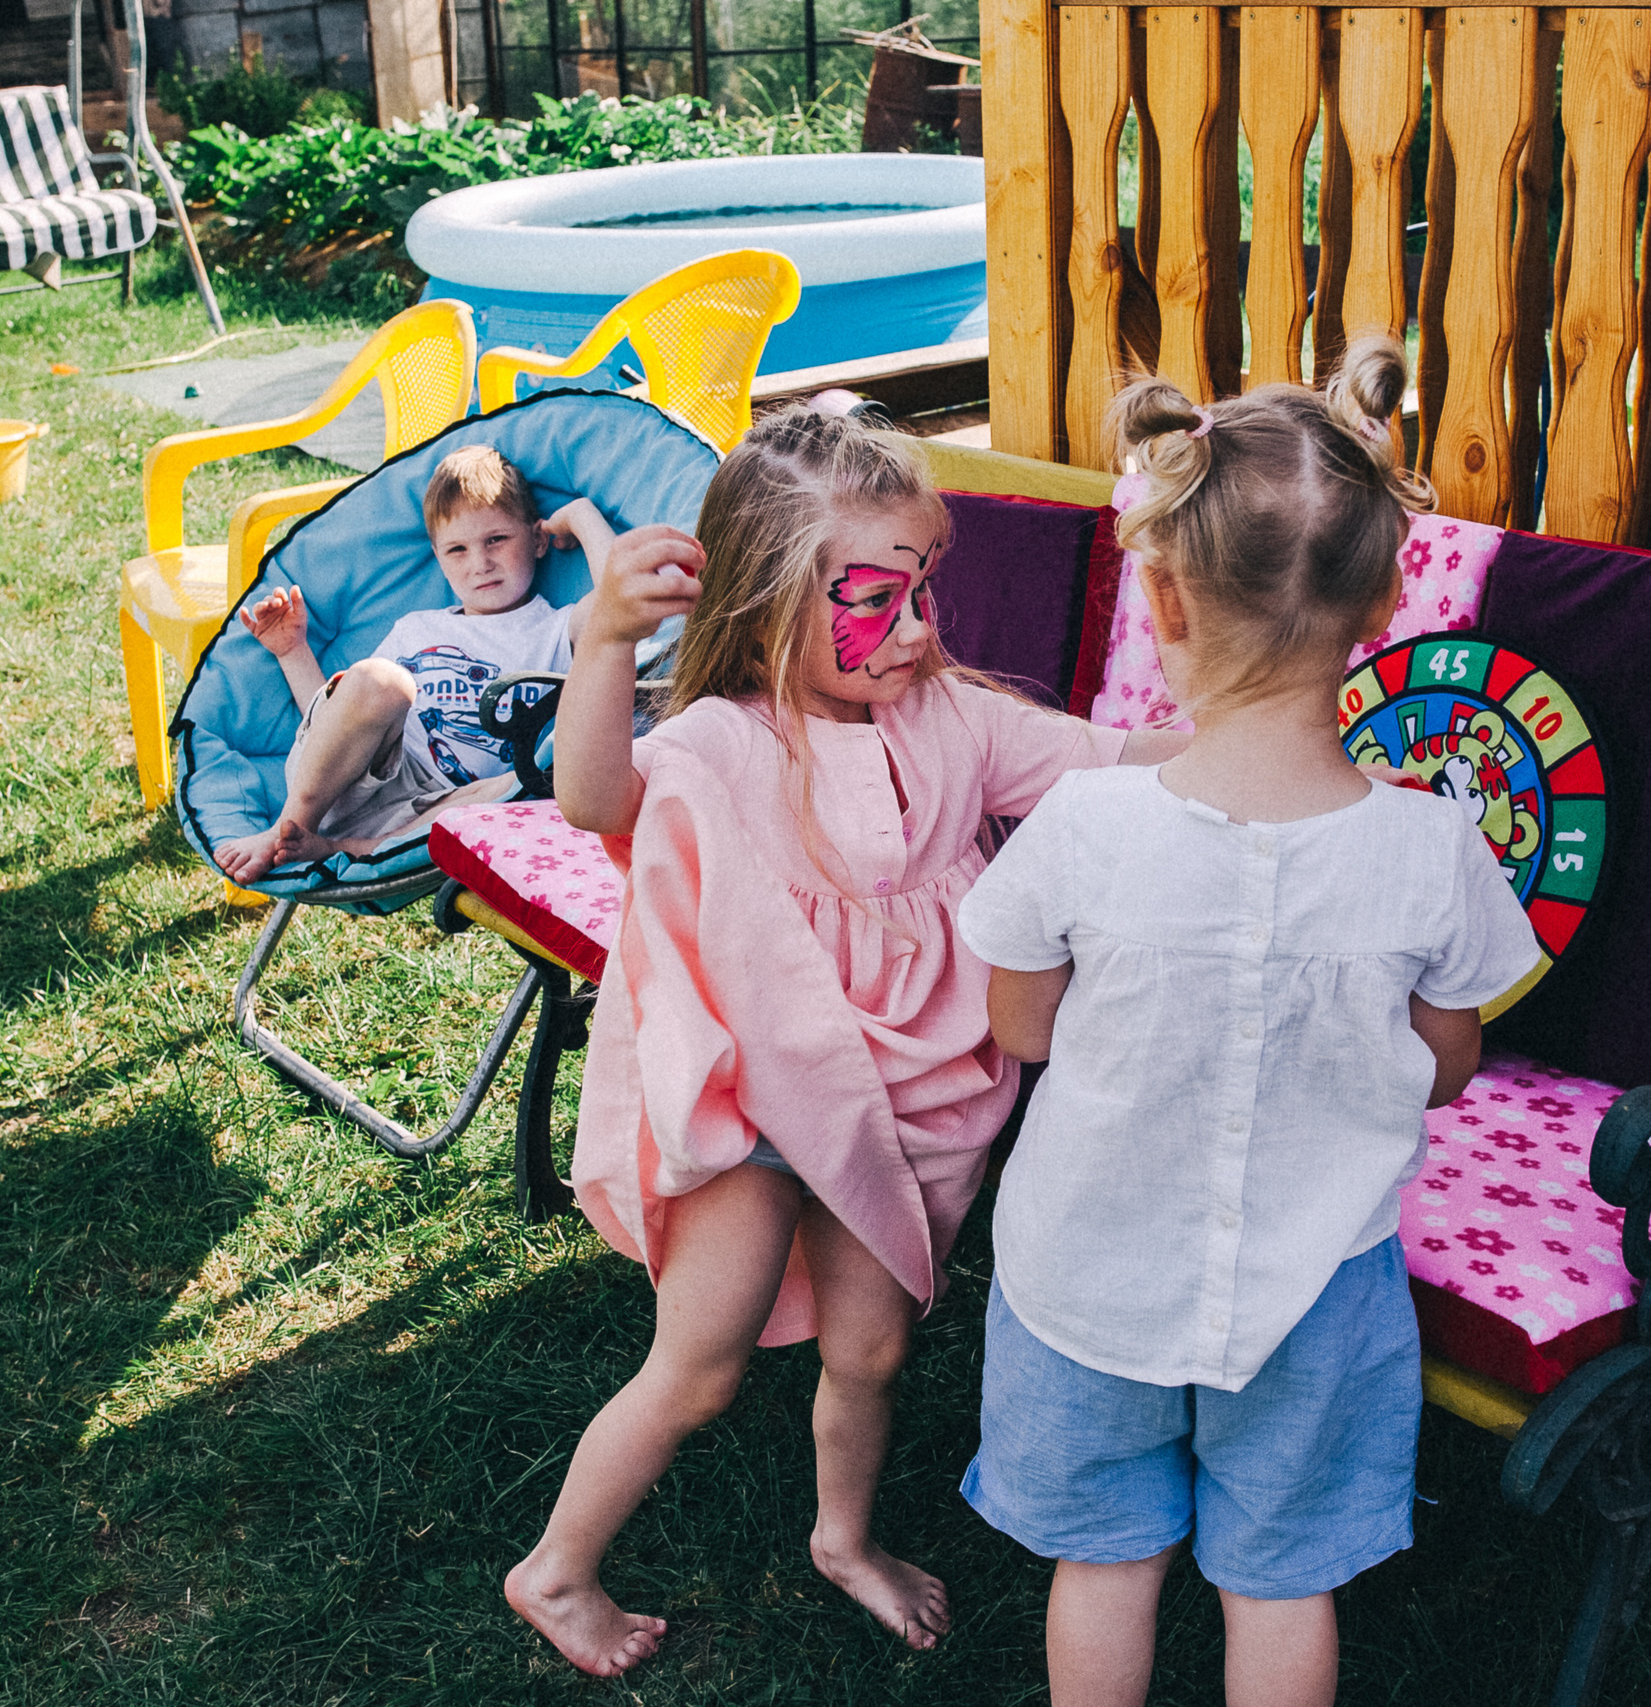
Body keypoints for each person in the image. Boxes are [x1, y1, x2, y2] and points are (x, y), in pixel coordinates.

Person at [505, 406, 1188, 1678]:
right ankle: (555, 1569)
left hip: (904, 1098)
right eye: (879, 598)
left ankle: (843, 1539)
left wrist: (1259, 739)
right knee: (700, 1365)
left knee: (872, 1348)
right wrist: (604, 639)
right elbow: (596, 800)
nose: (922, 628)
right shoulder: (721, 740)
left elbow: (1117, 762)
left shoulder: (959, 720)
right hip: (759, 1091)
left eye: (926, 587)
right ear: (768, 599)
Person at [955, 336, 1545, 1707]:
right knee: (1282, 1582)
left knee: (1105, 1563)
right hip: (1317, 1292)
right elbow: (1446, 1069)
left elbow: (1022, 1030)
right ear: (1390, 598)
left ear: (1157, 596)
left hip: (1083, 1274)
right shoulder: (1434, 844)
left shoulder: (1084, 824)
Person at [214, 445, 615, 882]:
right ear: (438, 557)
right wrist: (293, 651)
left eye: (496, 540)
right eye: (457, 550)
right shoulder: (417, 628)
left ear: (537, 539)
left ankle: (337, 850)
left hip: (436, 810)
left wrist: (579, 516)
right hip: (355, 779)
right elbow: (346, 717)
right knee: (380, 680)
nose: (480, 564)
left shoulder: (556, 630)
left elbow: (627, 600)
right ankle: (287, 829)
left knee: (525, 783)